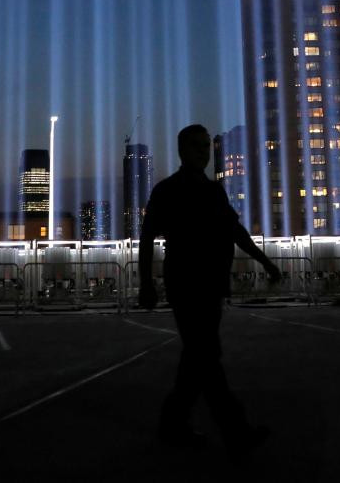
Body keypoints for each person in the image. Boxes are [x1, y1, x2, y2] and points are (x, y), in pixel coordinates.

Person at [138, 123, 282, 454]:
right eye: (197, 146)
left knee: (196, 360)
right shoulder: (167, 190)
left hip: (211, 287)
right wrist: (146, 283)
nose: (204, 152)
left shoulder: (213, 191)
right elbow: (147, 237)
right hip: (186, 287)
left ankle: (172, 426)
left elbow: (235, 231)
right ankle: (237, 433)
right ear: (182, 151)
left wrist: (265, 260)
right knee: (207, 358)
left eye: (207, 146)